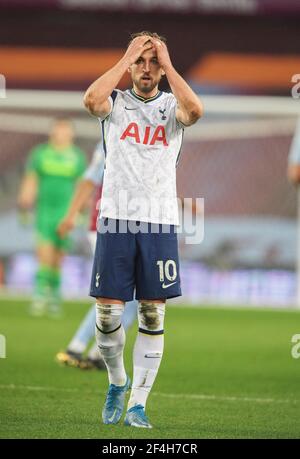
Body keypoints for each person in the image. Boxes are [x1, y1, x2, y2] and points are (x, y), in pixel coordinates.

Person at [84, 31, 203, 428]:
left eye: (153, 62)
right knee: (106, 314)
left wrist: (169, 64)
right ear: (131, 65)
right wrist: (126, 56)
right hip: (115, 218)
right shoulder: (115, 103)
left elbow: (196, 111)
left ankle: (138, 403)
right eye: (141, 62)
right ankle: (117, 381)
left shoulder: (172, 106)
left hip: (159, 221)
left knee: (152, 314)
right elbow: (90, 100)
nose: (147, 68)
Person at [55, 143, 137, 370]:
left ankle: (97, 353)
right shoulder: (111, 138)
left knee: (132, 293)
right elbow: (90, 179)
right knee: (114, 290)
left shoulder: (141, 135)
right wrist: (70, 215)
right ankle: (79, 347)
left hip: (133, 224)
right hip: (107, 224)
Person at [18, 119, 86, 318]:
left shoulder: (77, 157)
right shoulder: (40, 154)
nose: (62, 134)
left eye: (65, 130)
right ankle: (40, 296)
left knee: (58, 257)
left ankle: (54, 295)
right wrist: (25, 200)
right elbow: (31, 180)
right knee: (44, 254)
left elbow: (82, 186)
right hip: (44, 212)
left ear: (71, 134)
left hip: (65, 213)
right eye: (59, 130)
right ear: (53, 132)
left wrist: (80, 212)